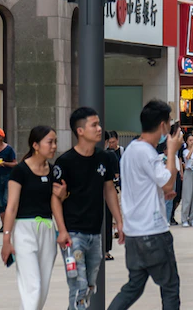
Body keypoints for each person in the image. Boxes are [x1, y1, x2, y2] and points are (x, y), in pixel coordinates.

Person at [108, 100, 182, 310]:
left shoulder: (131, 151)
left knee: (134, 286)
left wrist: (162, 192)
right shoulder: (147, 153)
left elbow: (151, 186)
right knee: (170, 287)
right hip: (153, 232)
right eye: (168, 122)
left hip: (134, 233)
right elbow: (168, 182)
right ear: (162, 125)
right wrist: (172, 151)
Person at [51, 107, 125, 310]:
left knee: (90, 285)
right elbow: (55, 199)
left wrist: (119, 220)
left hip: (95, 233)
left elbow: (109, 189)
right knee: (78, 284)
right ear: (80, 131)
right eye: (94, 125)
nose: (100, 129)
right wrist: (62, 230)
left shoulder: (105, 158)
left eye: (99, 124)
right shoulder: (65, 162)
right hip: (72, 234)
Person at [1, 125, 65, 310]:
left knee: (42, 289)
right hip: (24, 230)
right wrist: (6, 239)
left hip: (47, 229)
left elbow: (56, 203)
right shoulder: (20, 171)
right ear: (36, 145)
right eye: (50, 142)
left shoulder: (53, 171)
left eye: (55, 142)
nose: (54, 146)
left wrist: (61, 229)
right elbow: (11, 207)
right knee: (33, 286)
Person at [104, 131, 123, 260]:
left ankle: (106, 250)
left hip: (111, 190)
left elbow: (115, 175)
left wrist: (119, 221)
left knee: (106, 219)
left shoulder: (110, 156)